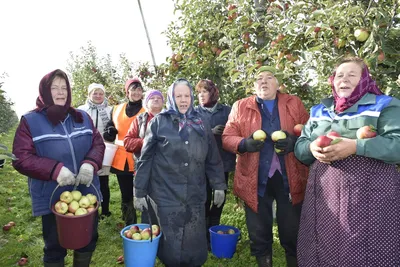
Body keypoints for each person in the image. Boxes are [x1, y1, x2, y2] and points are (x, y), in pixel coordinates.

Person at [294, 57, 400, 267]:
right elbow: (300, 147)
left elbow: (396, 145)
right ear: (333, 80)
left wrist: (356, 147)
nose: (344, 79)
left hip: (370, 193)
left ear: (364, 80)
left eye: (352, 75)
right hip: (325, 194)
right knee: (323, 241)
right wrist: (310, 147)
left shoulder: (385, 105)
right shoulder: (319, 111)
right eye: (340, 75)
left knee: (367, 246)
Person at [12, 69, 105, 267]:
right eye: (54, 88)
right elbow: (20, 157)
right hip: (52, 195)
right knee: (55, 246)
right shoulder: (31, 121)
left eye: (64, 88)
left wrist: (90, 163)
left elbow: (98, 143)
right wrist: (54, 170)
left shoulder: (82, 117)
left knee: (88, 240)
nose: (60, 92)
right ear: (45, 91)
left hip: (86, 191)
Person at [133, 78, 227, 267]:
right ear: (171, 98)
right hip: (165, 192)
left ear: (192, 97)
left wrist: (218, 185)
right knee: (171, 243)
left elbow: (213, 158)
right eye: (178, 96)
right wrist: (139, 190)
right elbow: (146, 158)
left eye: (186, 95)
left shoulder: (202, 123)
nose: (183, 100)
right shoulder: (159, 122)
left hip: (194, 191)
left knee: (193, 239)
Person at [222, 66, 309, 267]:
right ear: (254, 85)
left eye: (269, 77)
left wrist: (294, 142)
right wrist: (244, 144)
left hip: (289, 175)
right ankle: (264, 262)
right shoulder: (241, 106)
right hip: (255, 176)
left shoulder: (293, 103)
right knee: (258, 230)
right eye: (259, 78)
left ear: (278, 83)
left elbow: (309, 131)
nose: (264, 81)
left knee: (291, 228)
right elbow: (227, 137)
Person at [194, 79, 236, 248]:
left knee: (220, 199)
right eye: (199, 92)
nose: (201, 95)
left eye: (205, 91)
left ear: (213, 92)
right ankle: (204, 236)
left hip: (222, 162)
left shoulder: (226, 110)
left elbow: (235, 129)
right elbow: (189, 134)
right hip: (201, 164)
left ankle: (213, 228)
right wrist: (209, 132)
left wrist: (226, 131)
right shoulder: (194, 112)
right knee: (203, 198)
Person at [103, 78, 145, 226]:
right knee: (125, 193)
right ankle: (129, 223)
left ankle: (147, 221)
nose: (136, 92)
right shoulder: (116, 109)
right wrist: (109, 132)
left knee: (143, 191)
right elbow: (110, 129)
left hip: (140, 158)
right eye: (133, 89)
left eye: (139, 89)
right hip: (121, 159)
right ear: (127, 92)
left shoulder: (146, 110)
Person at [124, 89, 164, 223]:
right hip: (145, 169)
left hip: (166, 169)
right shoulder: (140, 120)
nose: (157, 99)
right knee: (147, 206)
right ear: (147, 102)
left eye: (159, 97)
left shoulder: (170, 119)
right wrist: (146, 142)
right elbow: (128, 142)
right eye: (153, 98)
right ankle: (149, 234)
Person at [78, 83, 113, 218]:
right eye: (95, 93)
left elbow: (115, 127)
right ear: (89, 94)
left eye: (101, 93)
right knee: (89, 180)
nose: (98, 96)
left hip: (105, 149)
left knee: (104, 180)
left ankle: (105, 210)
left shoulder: (110, 110)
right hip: (86, 149)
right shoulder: (81, 110)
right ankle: (92, 210)